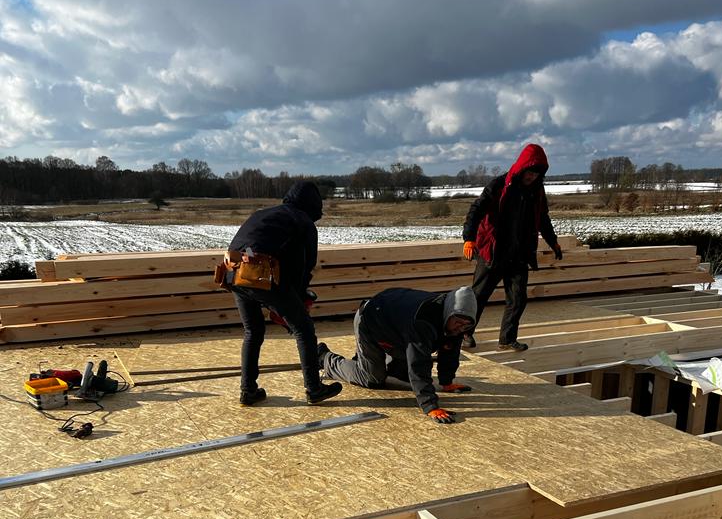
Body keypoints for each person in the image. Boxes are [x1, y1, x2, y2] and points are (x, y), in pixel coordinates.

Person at [224, 181, 342, 406]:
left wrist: (283, 301)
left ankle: (248, 390)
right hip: (261, 274)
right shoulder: (303, 222)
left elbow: (257, 249)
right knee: (304, 329)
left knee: (253, 331)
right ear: (313, 205)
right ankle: (314, 388)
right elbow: (304, 266)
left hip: (234, 274)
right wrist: (298, 299)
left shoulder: (265, 214)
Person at [318, 286, 476, 424]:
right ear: (449, 314)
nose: (460, 327)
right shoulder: (424, 320)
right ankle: (324, 358)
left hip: (397, 326)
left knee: (404, 376)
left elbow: (450, 349)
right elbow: (418, 364)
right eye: (457, 322)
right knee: (371, 378)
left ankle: (371, 361)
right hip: (371, 319)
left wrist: (446, 382)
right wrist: (430, 406)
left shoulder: (455, 319)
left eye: (465, 325)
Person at [461, 143, 563, 351]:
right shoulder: (499, 185)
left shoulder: (537, 191)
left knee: (517, 299)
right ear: (522, 167)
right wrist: (469, 238)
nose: (532, 177)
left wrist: (553, 241)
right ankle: (465, 333)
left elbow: (543, 218)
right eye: (530, 172)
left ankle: (507, 340)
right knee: (479, 296)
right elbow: (476, 210)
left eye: (536, 174)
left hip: (519, 253)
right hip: (494, 251)